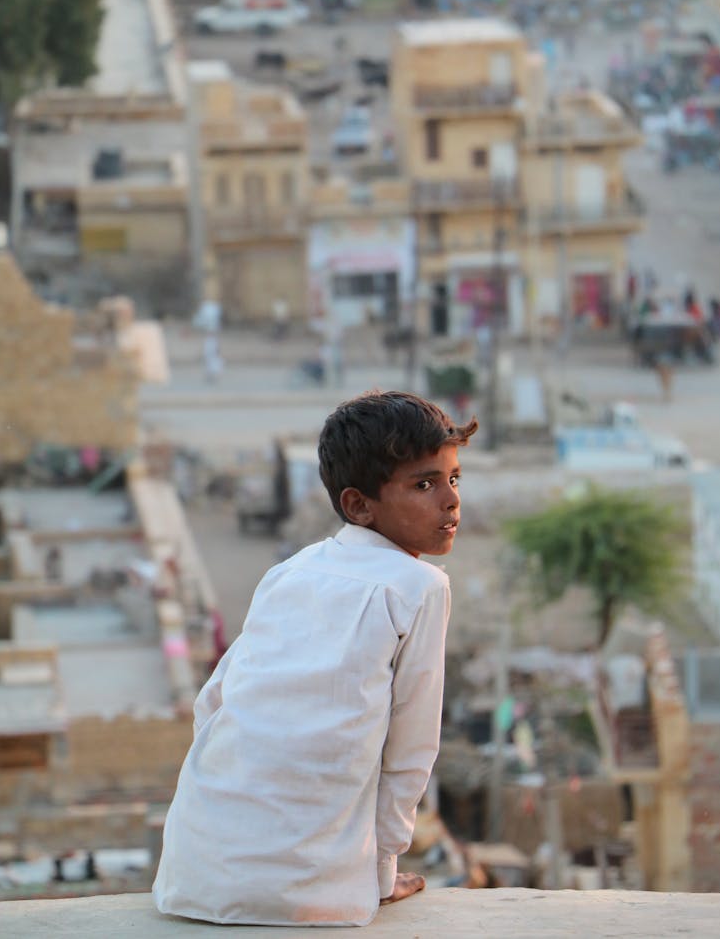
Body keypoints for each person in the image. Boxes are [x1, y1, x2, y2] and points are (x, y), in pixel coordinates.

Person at [153, 391, 478, 926]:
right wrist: (379, 872)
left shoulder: (290, 571)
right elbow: (411, 751)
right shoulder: (421, 587)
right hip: (309, 896)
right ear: (358, 505)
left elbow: (211, 705)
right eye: (424, 484)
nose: (451, 501)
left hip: (190, 877)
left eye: (454, 479)